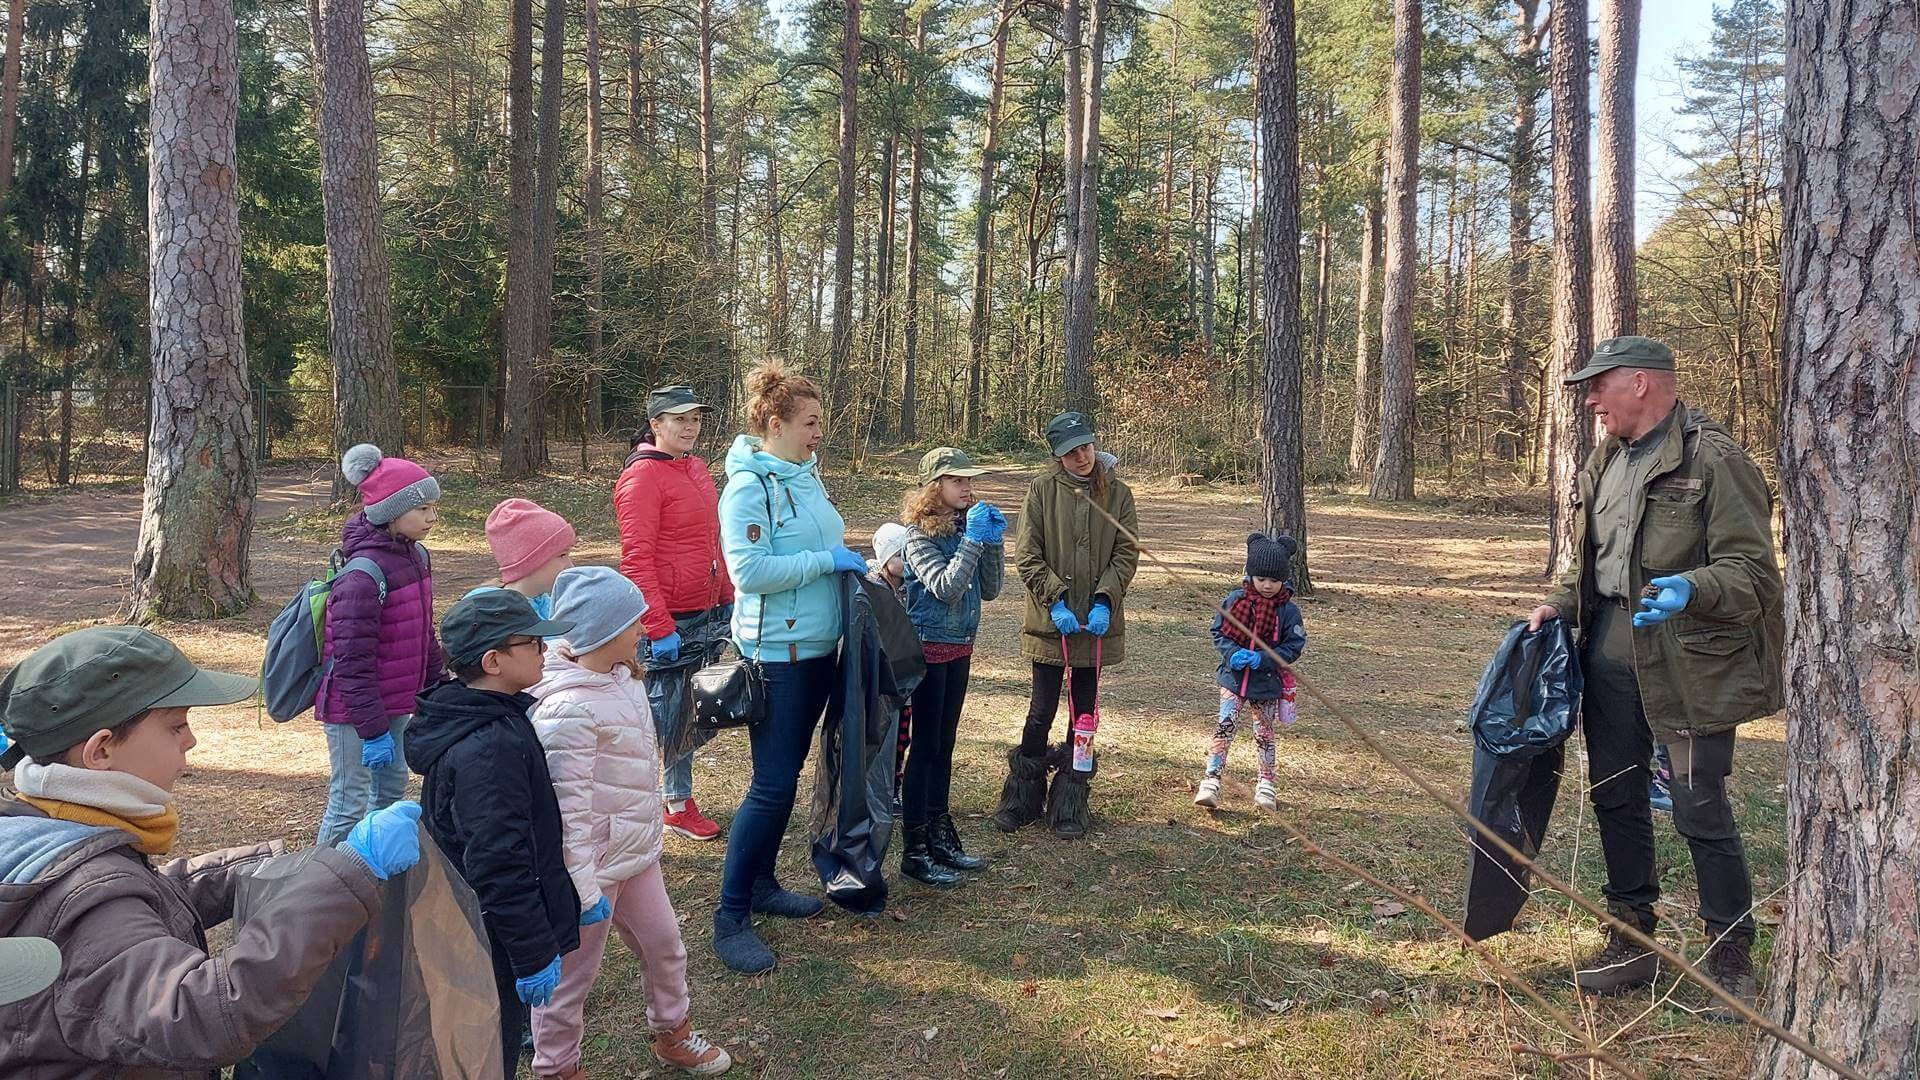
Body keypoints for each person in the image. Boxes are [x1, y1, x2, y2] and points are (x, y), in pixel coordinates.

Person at [0, 626, 424, 1078]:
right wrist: (346, 875)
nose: (191, 740)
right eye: (175, 726)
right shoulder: (88, 899)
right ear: (101, 751)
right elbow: (198, 1012)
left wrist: (253, 869)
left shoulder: (44, 833)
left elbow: (144, 901)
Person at [1524, 336, 1783, 1015]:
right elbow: (1585, 558)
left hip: (1689, 663)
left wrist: (1692, 587)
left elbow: (1754, 576)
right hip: (1607, 649)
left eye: (1598, 384)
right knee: (1615, 795)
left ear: (1640, 383)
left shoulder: (1716, 460)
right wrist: (1555, 605)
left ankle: (1731, 959)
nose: (1589, 398)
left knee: (1699, 807)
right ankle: (1631, 942)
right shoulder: (1605, 458)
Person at [527, 566, 732, 1076]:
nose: (644, 630)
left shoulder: (623, 678)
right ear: (604, 631)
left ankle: (673, 1034)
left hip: (634, 854)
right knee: (571, 980)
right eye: (634, 622)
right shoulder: (567, 708)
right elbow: (566, 811)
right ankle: (556, 1068)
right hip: (589, 871)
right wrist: (583, 888)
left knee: (665, 946)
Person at [711, 361, 868, 975]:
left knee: (788, 776)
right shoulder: (749, 488)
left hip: (819, 651)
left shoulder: (804, 476)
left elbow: (820, 544)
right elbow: (747, 573)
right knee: (771, 786)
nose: (819, 432)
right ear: (774, 424)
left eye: (820, 421)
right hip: (778, 657)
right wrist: (823, 561)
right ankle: (730, 915)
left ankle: (764, 885)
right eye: (810, 422)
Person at [406, 589, 581, 1077]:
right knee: (486, 1048)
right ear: (493, 660)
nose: (545, 651)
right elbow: (499, 861)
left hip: (482, 928)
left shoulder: (489, 716)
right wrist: (530, 955)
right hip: (486, 938)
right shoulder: (489, 748)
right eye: (533, 643)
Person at [994, 411, 1138, 840]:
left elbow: (1126, 554)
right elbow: (1027, 554)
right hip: (1049, 623)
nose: (1082, 457)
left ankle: (1072, 798)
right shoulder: (1041, 490)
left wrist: (1103, 600)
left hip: (1095, 626)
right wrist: (1054, 598)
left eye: (1087, 447)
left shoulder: (1118, 493)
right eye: (1072, 452)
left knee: (1086, 714)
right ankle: (1022, 796)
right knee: (1041, 711)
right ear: (1057, 456)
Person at [615, 385, 737, 844]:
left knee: (693, 713)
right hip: (671, 619)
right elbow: (636, 559)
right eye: (679, 419)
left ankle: (675, 800)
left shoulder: (697, 468)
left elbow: (713, 541)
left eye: (695, 420)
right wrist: (659, 625)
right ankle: (657, 803)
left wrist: (726, 595)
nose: (689, 428)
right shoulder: (642, 477)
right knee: (661, 719)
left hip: (707, 611)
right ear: (656, 424)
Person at [316, 442, 445, 846]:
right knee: (348, 804)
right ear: (390, 511)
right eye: (421, 509)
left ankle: (368, 882)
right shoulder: (362, 577)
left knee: (389, 798)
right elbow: (351, 663)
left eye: (432, 507)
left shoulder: (417, 557)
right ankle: (311, 894)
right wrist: (371, 731)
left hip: (395, 705)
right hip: (354, 710)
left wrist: (436, 689)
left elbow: (422, 633)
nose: (431, 517)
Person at [898, 447, 1006, 885]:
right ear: (934, 487)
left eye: (968, 480)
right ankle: (915, 848)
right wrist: (974, 542)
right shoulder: (916, 536)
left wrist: (994, 544)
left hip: (960, 646)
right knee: (924, 747)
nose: (967, 487)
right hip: (926, 650)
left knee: (945, 744)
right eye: (957, 480)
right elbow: (945, 587)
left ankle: (942, 835)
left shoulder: (966, 529)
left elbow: (991, 589)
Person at [1194, 532, 1306, 812]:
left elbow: (1294, 646)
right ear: (1250, 575)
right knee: (1224, 728)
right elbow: (1218, 631)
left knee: (1264, 733)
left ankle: (1266, 784)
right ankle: (1211, 779)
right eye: (1261, 579)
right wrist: (1233, 653)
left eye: (1274, 580)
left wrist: (1266, 659)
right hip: (1232, 680)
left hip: (1266, 684)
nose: (1267, 586)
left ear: (1283, 580)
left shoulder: (1288, 611)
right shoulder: (1235, 601)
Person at [867, 522, 915, 813]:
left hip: (905, 679)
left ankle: (895, 788)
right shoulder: (872, 589)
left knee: (901, 737)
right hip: (880, 680)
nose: (907, 561)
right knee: (878, 738)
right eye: (900, 554)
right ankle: (873, 790)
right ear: (885, 558)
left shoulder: (912, 589)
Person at [471, 497, 578, 617]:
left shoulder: (549, 605)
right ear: (531, 562)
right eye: (562, 555)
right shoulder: (496, 616)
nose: (570, 566)